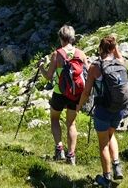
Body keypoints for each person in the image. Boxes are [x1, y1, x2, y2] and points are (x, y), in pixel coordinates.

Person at [76, 35, 126, 187]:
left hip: (103, 110)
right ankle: (116, 165)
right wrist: (115, 47)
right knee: (111, 135)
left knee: (103, 144)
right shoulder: (121, 63)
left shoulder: (95, 67)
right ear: (113, 48)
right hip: (119, 109)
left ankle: (107, 178)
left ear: (100, 49)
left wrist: (78, 107)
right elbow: (119, 56)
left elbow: (86, 92)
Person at [37, 25, 83, 165]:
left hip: (59, 92)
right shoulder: (80, 54)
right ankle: (71, 156)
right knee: (71, 123)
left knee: (55, 119)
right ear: (72, 38)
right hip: (75, 93)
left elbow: (48, 76)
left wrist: (41, 68)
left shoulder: (57, 54)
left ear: (61, 38)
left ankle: (59, 149)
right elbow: (85, 73)